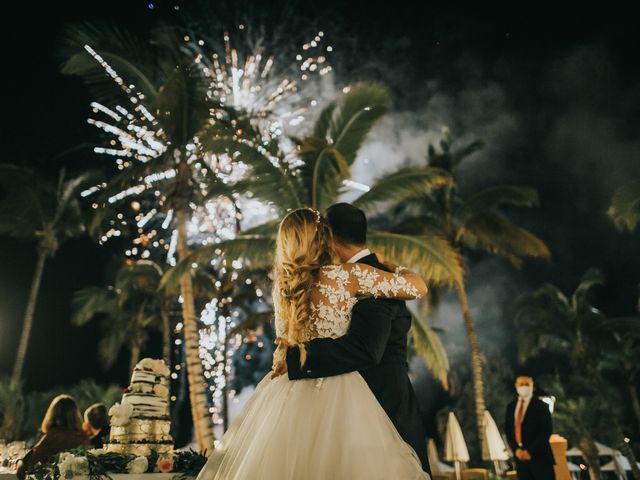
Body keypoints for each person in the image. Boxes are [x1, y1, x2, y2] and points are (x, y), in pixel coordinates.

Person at [196, 208, 430, 479]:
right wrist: (395, 266)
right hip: (343, 391)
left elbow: (286, 340)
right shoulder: (349, 276)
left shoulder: (285, 287)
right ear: (324, 237)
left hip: (286, 393)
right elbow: (418, 287)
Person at [285, 202, 431, 474]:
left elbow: (366, 350)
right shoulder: (366, 273)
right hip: (345, 406)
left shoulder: (365, 277)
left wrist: (295, 357)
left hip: (382, 406)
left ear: (330, 235)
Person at [16, 395, 90, 479]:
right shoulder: (83, 437)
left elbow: (30, 463)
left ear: (53, 414)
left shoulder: (51, 437)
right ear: (75, 414)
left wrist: (19, 462)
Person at [504, 373, 555, 480]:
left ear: (532, 386)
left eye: (527, 384)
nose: (524, 387)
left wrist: (530, 451)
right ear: (516, 386)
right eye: (521, 384)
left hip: (540, 458)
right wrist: (516, 450)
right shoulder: (511, 407)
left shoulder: (542, 407)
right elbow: (508, 431)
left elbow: (546, 431)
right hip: (520, 461)